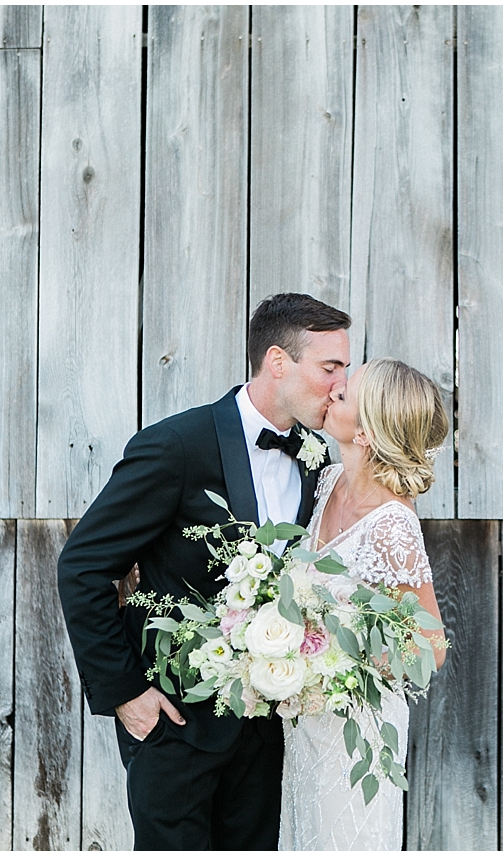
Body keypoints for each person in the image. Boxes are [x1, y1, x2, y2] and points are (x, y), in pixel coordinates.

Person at [57, 293, 351, 850]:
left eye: (345, 370)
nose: (340, 385)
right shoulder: (177, 445)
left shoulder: (317, 458)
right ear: (278, 362)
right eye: (329, 367)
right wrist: (127, 694)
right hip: (177, 724)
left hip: (269, 731)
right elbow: (84, 567)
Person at [280, 358, 448, 851]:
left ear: (369, 431)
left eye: (346, 392)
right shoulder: (330, 481)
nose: (334, 392)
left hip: (355, 728)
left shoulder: (392, 525)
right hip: (307, 721)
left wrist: (337, 658)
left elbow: (430, 648)